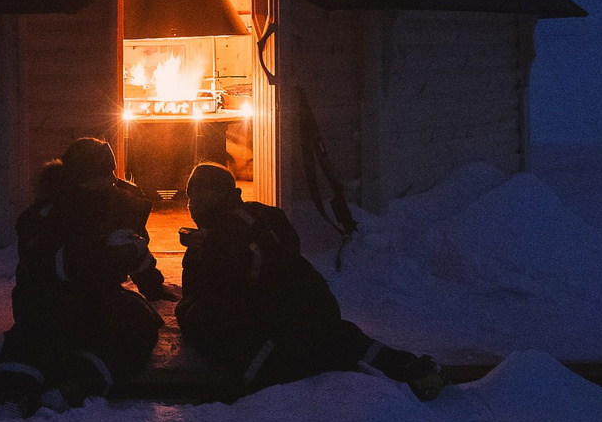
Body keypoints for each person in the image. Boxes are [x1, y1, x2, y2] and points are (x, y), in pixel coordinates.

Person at [175, 161, 446, 401]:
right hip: (316, 309)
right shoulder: (264, 216)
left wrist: (190, 307)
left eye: (202, 191)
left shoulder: (217, 241)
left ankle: (288, 381)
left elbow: (218, 295)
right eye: (190, 194)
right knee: (341, 338)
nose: (194, 201)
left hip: (276, 327)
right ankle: (408, 369)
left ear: (223, 194)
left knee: (197, 316)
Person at [0, 137, 176, 414]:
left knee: (139, 319)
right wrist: (100, 255)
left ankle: (76, 386)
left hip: (95, 302)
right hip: (49, 300)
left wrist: (152, 285)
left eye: (112, 170)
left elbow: (134, 249)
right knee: (35, 332)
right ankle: (11, 394)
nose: (112, 178)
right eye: (104, 172)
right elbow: (41, 267)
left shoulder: (117, 204)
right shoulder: (47, 213)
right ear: (82, 177)